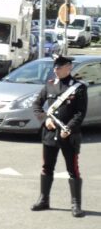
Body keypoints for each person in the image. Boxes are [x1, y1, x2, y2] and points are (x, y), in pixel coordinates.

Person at [31, 55, 87, 217]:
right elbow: (37, 105)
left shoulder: (78, 87)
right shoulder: (50, 85)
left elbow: (80, 112)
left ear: (68, 67)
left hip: (68, 135)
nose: (55, 70)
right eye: (54, 67)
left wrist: (68, 128)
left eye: (59, 67)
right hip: (50, 134)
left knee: (72, 170)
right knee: (47, 167)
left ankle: (76, 204)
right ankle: (44, 199)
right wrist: (45, 119)